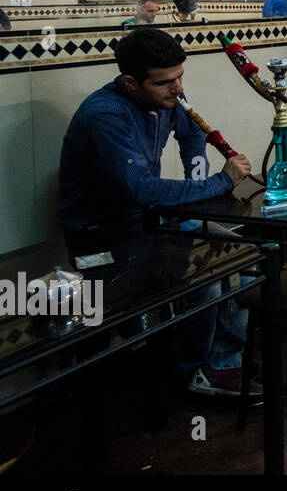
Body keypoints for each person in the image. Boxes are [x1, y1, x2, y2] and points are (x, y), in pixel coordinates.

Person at [58, 27, 255, 395]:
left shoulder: (165, 99)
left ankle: (222, 361)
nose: (178, 89)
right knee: (205, 280)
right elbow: (140, 190)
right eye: (166, 82)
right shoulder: (105, 115)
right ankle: (188, 371)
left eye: (180, 76)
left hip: (147, 220)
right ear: (131, 82)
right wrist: (218, 183)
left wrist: (198, 179)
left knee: (243, 256)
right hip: (101, 237)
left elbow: (192, 132)